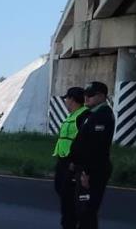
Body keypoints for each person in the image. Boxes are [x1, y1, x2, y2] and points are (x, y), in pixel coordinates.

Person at [69, 81, 114, 229]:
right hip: (84, 168)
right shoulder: (93, 114)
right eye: (85, 95)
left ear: (101, 96)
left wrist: (87, 172)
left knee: (86, 210)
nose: (86, 98)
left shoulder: (103, 115)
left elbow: (96, 147)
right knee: (84, 210)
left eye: (90, 95)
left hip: (92, 171)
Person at [53, 86, 90, 229]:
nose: (65, 102)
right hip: (63, 161)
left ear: (72, 99)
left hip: (72, 163)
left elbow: (83, 141)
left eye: (66, 99)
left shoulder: (83, 116)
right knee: (63, 193)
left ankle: (70, 224)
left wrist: (75, 161)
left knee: (70, 200)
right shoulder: (72, 115)